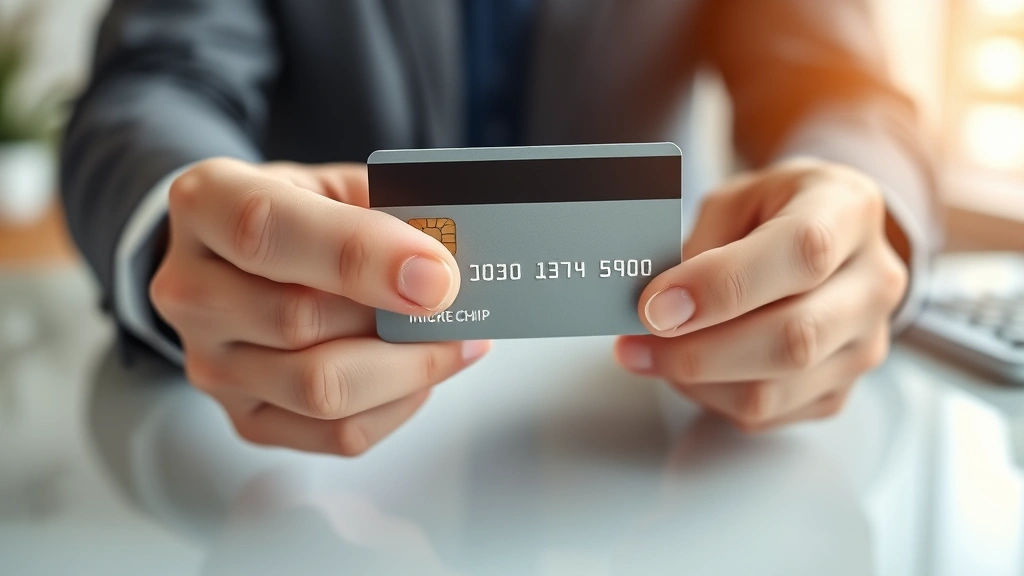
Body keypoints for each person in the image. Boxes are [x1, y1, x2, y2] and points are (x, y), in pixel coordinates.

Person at [62, 0, 937, 456]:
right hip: (306, 424)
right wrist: (181, 240)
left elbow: (837, 85)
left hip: (649, 407)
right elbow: (156, 81)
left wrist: (854, 227)